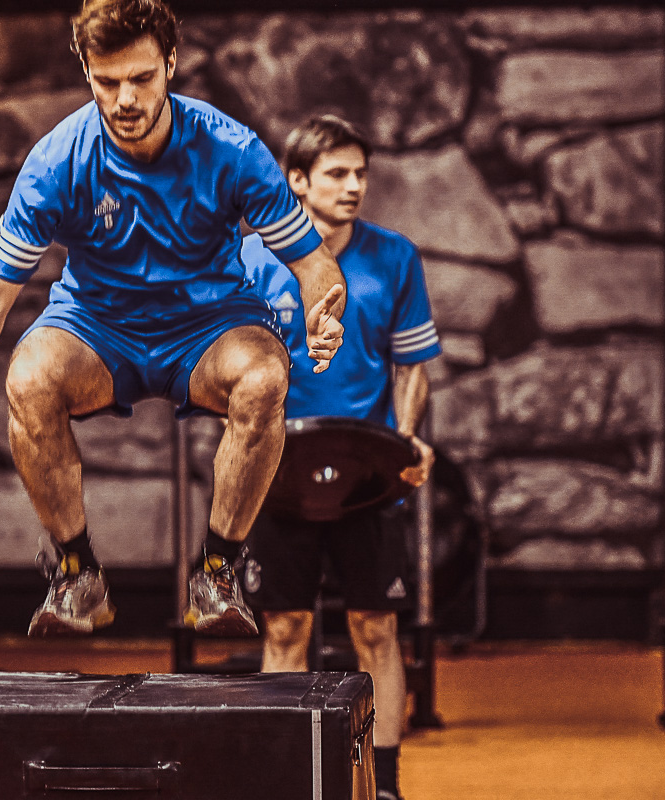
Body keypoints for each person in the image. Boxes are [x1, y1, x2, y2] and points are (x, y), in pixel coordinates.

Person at [0, 0, 347, 638]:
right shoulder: (57, 163)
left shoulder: (231, 150)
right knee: (27, 378)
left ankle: (218, 573)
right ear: (85, 69)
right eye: (108, 82)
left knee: (265, 376)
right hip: (99, 328)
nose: (126, 98)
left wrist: (325, 314)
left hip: (209, 325)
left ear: (171, 63)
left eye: (141, 78)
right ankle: (77, 575)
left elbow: (314, 265)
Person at [240, 115, 441, 800]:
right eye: (337, 174)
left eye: (360, 174)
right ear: (297, 182)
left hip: (366, 477)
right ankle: (282, 781)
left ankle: (383, 787)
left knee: (376, 630)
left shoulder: (395, 258)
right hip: (277, 470)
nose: (354, 186)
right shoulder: (252, 262)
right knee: (287, 626)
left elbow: (412, 365)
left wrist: (407, 438)